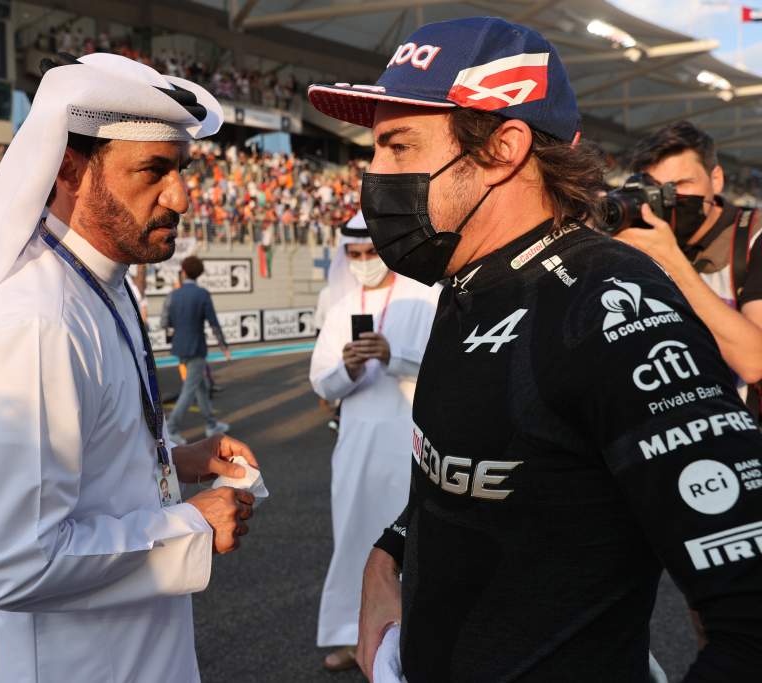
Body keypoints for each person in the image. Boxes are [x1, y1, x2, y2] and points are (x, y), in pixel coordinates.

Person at [309, 17, 762, 682]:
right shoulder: (467, 281)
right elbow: (471, 470)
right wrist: (388, 554)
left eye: (397, 146)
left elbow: (748, 620)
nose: (373, 175)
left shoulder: (611, 305)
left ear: (504, 148)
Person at [0, 52, 259, 682]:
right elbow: (8, 564)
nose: (181, 197)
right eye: (153, 170)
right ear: (70, 168)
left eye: (181, 169)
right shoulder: (37, 323)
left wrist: (174, 458)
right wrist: (191, 524)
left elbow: (83, 457)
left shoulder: (100, 283)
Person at [310, 213, 439, 671]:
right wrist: (347, 368)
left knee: (417, 543)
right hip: (357, 445)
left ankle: (419, 641)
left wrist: (393, 356)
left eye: (371, 252)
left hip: (411, 441)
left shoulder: (424, 296)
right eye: (355, 254)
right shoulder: (341, 307)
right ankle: (353, 638)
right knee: (355, 539)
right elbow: (321, 382)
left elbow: (446, 370)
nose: (364, 261)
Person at [619, 121, 762, 410]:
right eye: (658, 190)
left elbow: (754, 362)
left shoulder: (753, 238)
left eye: (682, 185)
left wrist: (671, 261)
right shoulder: (639, 240)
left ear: (716, 179)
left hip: (740, 427)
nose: (671, 199)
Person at [162, 255, 231, 444]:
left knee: (202, 387)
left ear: (183, 272)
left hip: (180, 347)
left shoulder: (173, 294)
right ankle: (171, 428)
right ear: (198, 274)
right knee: (190, 390)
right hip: (197, 348)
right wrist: (223, 346)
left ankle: (211, 424)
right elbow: (213, 323)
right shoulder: (202, 294)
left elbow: (165, 323)